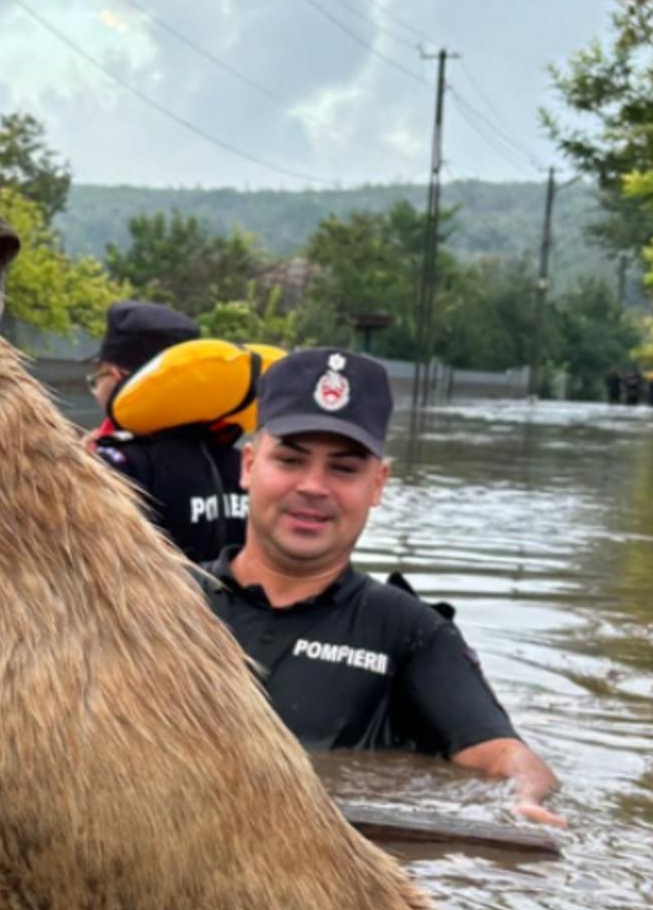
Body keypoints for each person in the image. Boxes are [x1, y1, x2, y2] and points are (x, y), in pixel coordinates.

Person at [198, 347, 567, 827]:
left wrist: (523, 798)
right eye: (290, 460)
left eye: (344, 469)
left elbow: (504, 756)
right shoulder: (161, 598)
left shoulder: (409, 630)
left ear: (378, 483)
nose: (313, 486)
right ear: (248, 466)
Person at [87, 300, 248, 563]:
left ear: (115, 375)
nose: (95, 390)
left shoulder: (119, 463)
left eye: (97, 379)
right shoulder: (240, 460)